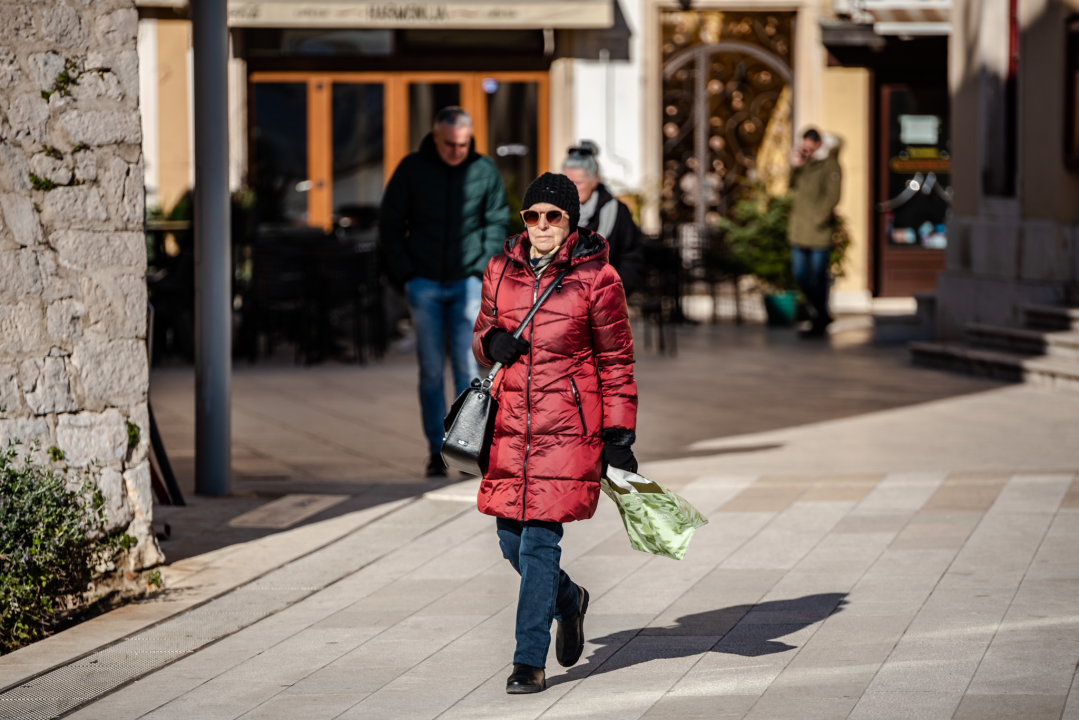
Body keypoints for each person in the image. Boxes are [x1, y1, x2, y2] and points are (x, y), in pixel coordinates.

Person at [472, 172, 639, 694]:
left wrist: (619, 434)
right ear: (523, 220)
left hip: (568, 428)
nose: (542, 226)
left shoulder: (599, 278)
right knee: (509, 542)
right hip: (511, 428)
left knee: (540, 544)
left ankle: (528, 661)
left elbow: (616, 361)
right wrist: (493, 341)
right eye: (533, 216)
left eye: (553, 217)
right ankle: (571, 601)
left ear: (570, 222)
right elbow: (482, 333)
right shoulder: (499, 270)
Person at [380, 107, 510, 477]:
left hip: (467, 281)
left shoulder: (483, 170)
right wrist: (406, 272)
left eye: (464, 144)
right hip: (423, 282)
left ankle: (466, 447)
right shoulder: (412, 169)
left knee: (470, 366)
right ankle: (435, 449)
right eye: (451, 144)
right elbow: (390, 223)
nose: (457, 150)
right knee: (431, 370)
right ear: (435, 138)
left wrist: (480, 266)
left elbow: (497, 218)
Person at [562, 141, 644, 296]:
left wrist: (613, 293)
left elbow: (631, 258)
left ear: (594, 180)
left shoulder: (617, 212)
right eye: (566, 183)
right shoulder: (553, 213)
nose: (571, 189)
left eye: (577, 183)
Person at [788, 127, 842, 337]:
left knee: (818, 276)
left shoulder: (830, 165)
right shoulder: (804, 165)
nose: (806, 152)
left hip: (818, 231)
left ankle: (819, 317)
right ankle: (821, 313)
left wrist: (817, 219)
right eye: (803, 148)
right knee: (800, 275)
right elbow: (791, 187)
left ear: (818, 144)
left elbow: (832, 196)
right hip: (799, 230)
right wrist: (795, 167)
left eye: (809, 148)